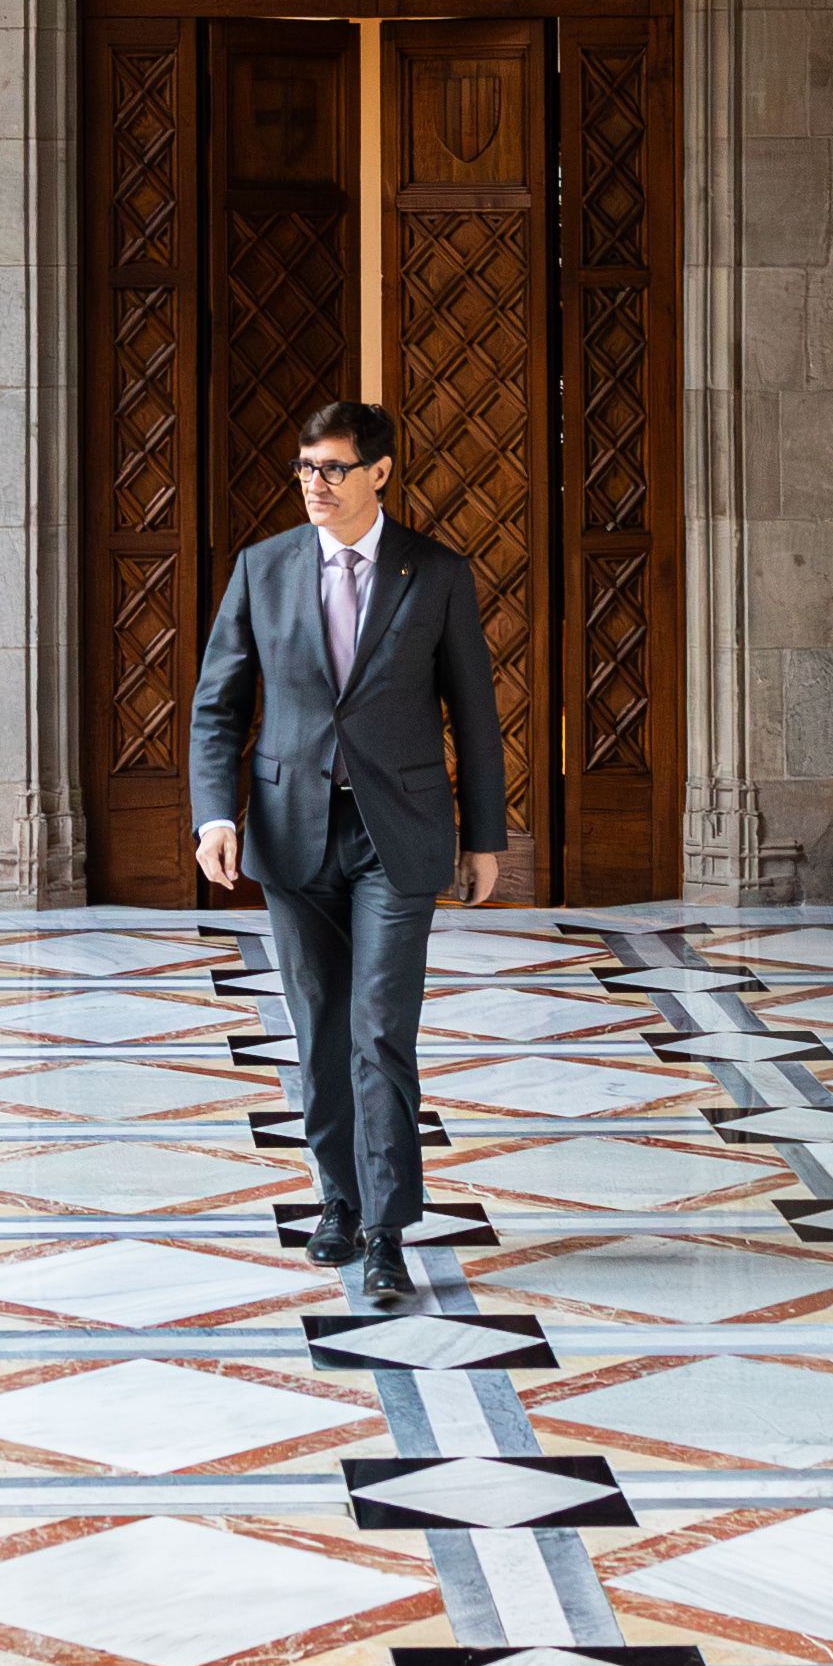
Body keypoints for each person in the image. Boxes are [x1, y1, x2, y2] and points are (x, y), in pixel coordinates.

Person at [188, 398, 506, 1311]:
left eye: (332, 468)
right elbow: (218, 706)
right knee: (320, 1027)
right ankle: (338, 1195)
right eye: (304, 468)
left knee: (379, 1030)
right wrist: (217, 817)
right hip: (292, 837)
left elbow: (474, 716)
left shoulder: (436, 573)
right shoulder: (263, 569)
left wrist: (484, 835)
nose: (314, 485)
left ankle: (388, 1231)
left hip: (397, 836)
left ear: (379, 473)